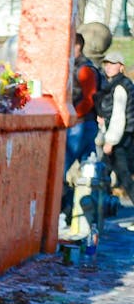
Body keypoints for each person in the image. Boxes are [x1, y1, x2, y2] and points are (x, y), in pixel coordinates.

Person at [62, 33, 103, 222]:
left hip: (81, 125)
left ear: (77, 46)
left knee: (63, 168)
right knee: (88, 174)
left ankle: (68, 211)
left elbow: (89, 98)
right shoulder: (81, 66)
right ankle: (81, 215)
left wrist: (74, 117)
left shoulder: (84, 69)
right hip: (86, 124)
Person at [96, 51, 134, 207]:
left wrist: (110, 141)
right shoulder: (120, 84)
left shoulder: (119, 87)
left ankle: (98, 211)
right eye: (107, 64)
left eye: (113, 64)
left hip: (120, 139)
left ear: (121, 67)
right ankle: (101, 210)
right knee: (105, 172)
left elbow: (119, 116)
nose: (109, 67)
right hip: (125, 136)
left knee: (123, 177)